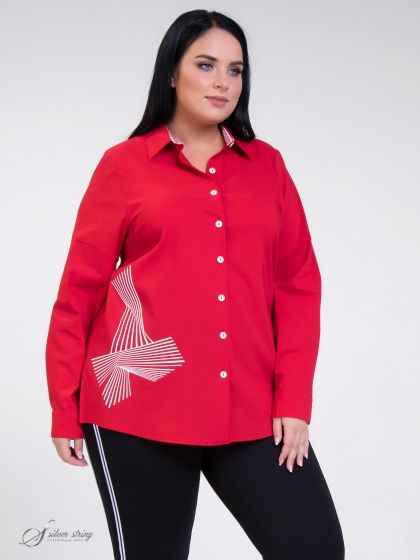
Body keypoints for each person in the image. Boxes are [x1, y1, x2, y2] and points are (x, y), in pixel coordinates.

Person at [45, 9, 345, 560]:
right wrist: (64, 406)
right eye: (206, 65)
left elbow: (298, 285)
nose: (222, 82)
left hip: (251, 408)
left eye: (235, 70)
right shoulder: (123, 167)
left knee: (315, 547)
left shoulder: (267, 167)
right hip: (138, 409)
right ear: (172, 73)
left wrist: (294, 399)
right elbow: (79, 292)